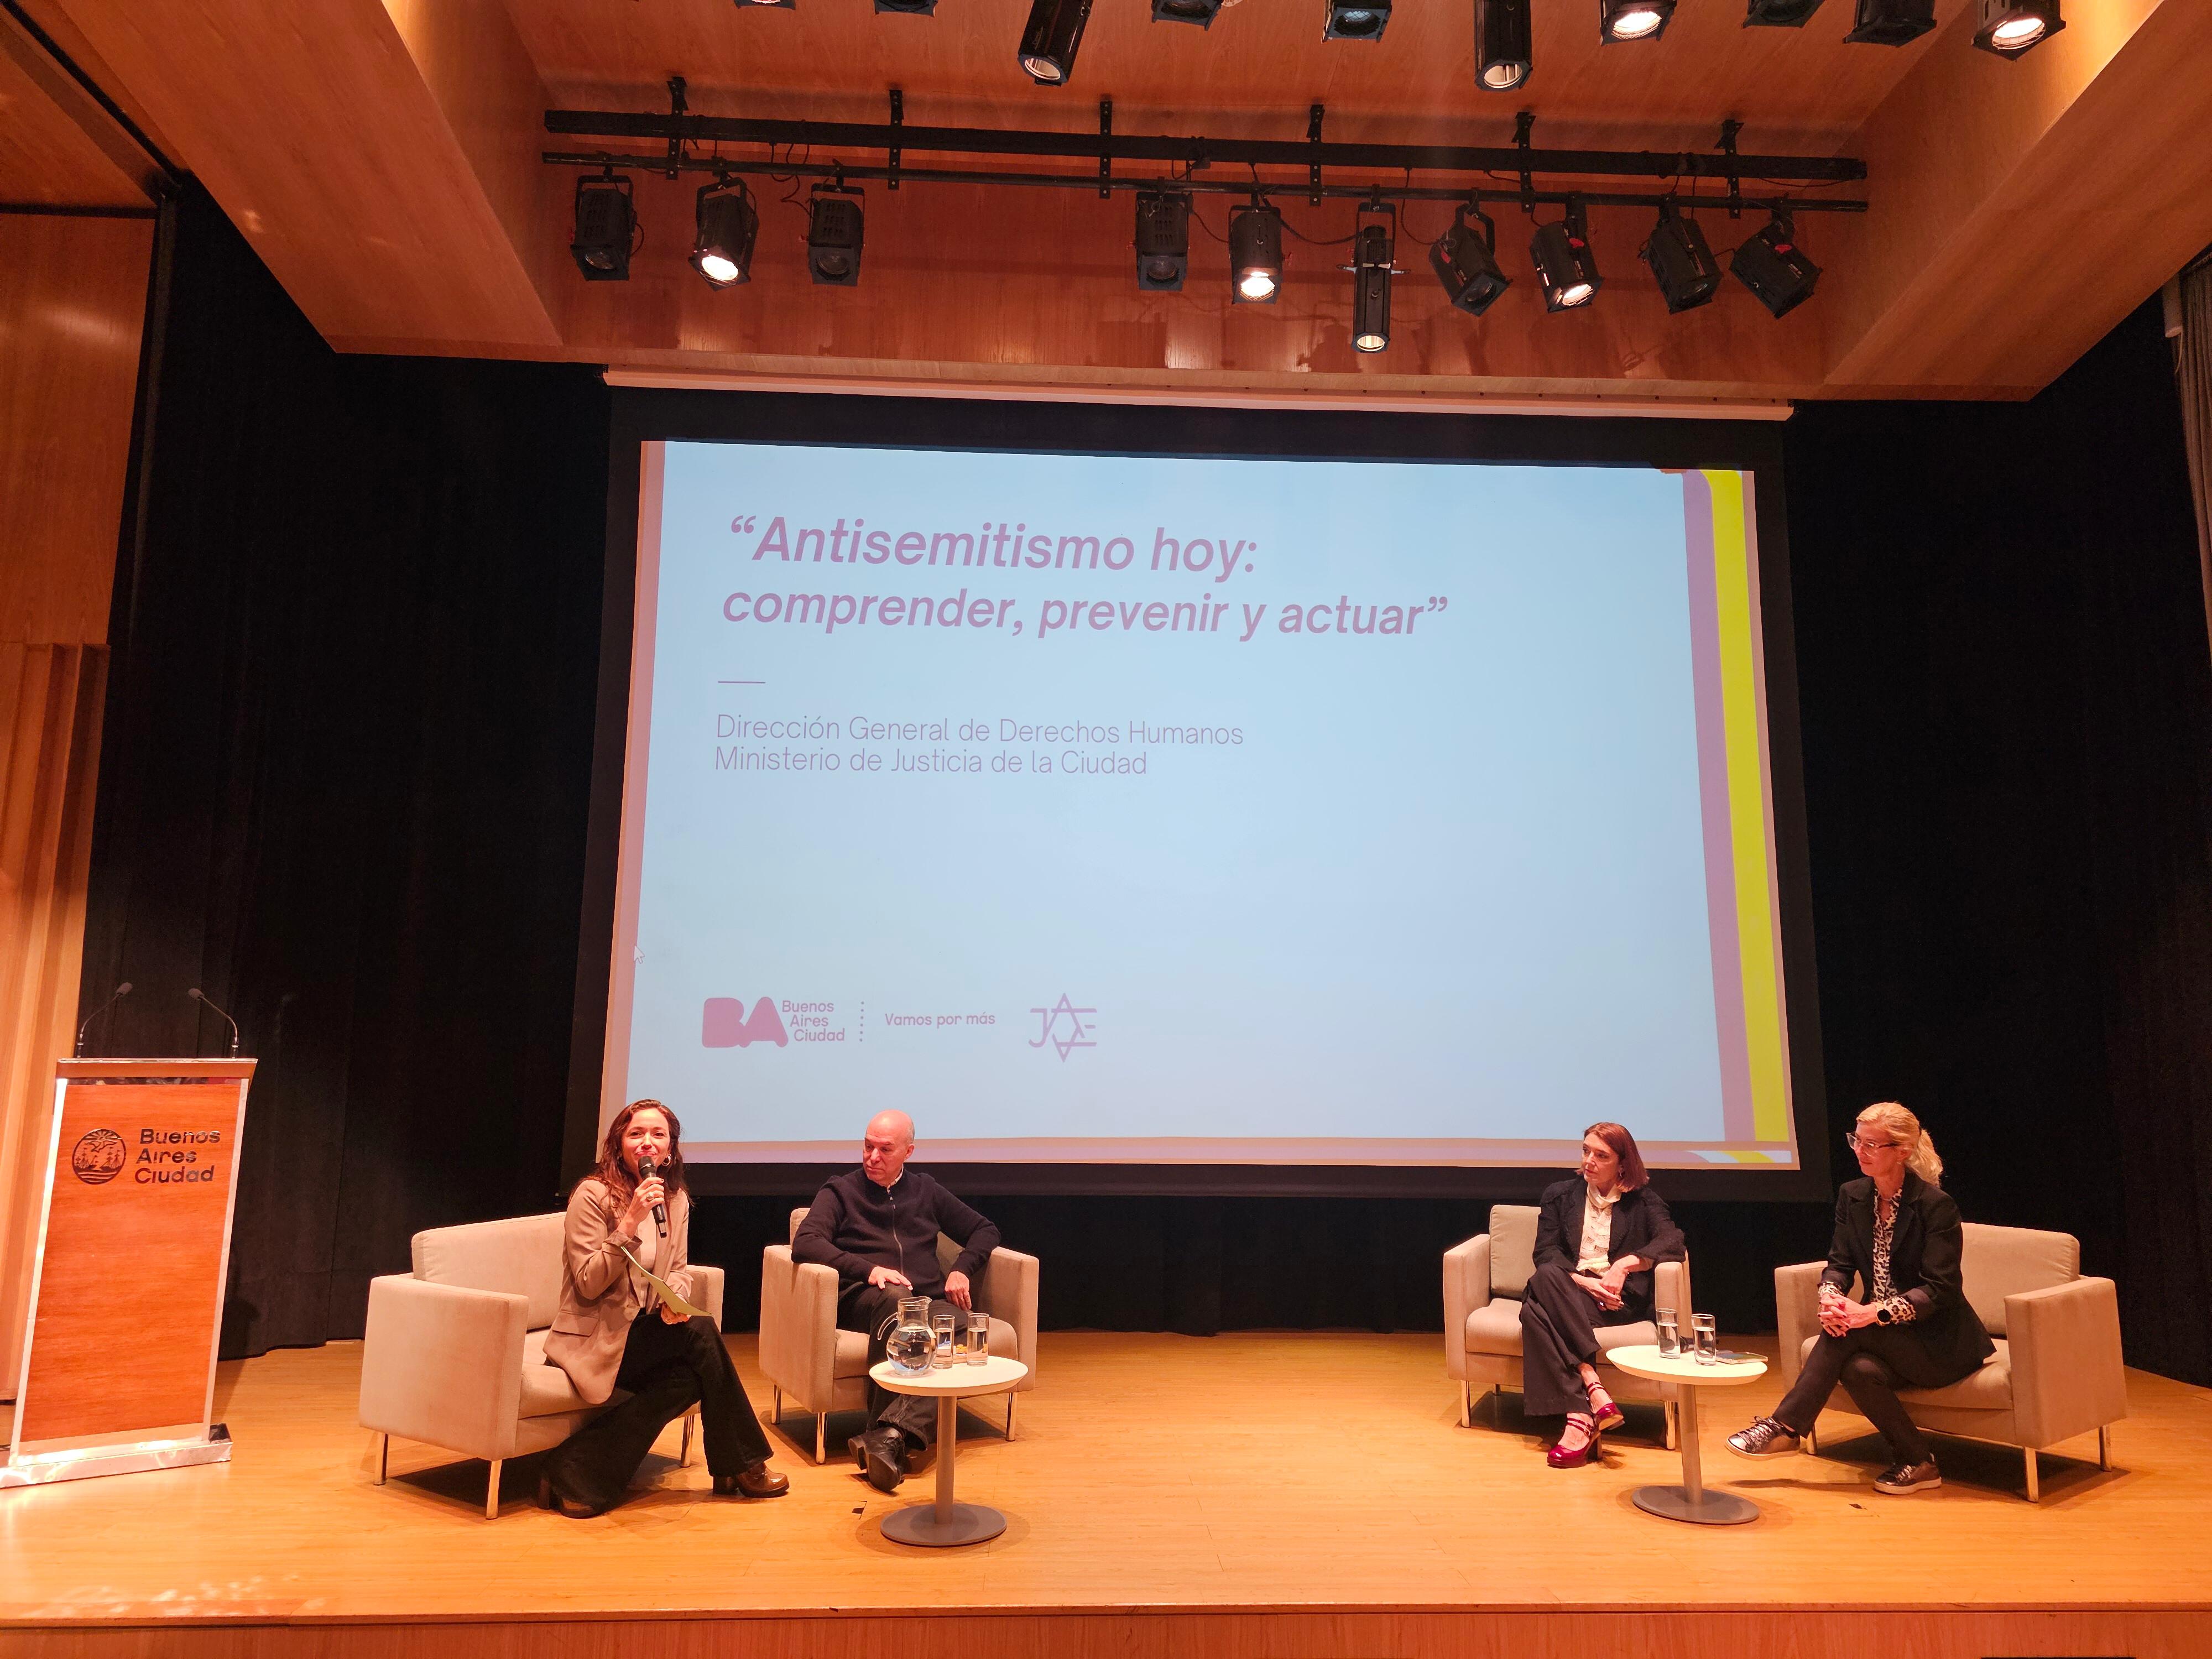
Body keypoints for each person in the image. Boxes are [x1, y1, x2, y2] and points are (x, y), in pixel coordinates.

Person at [1726, 1102, 1994, 1495]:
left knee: (1849, 1333)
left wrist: (1871, 1314)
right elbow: (1839, 1264)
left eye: (1873, 1145)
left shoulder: (1936, 1207)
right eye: (1857, 1141)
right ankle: (1918, 1460)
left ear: (1902, 1151)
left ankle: (1784, 1427)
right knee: (1858, 1370)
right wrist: (1831, 1297)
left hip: (1940, 1344)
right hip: (1886, 1339)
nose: (1860, 1151)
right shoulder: (1852, 1196)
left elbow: (1941, 1288)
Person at [538, 1099, 789, 1516]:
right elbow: (588, 1282)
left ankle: (572, 1471)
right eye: (636, 1135)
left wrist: (675, 1297)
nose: (647, 1144)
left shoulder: (675, 1199)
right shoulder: (592, 1195)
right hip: (595, 1339)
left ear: (670, 1150)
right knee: (702, 1335)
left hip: (643, 1333)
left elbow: (678, 1270)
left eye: (658, 1136)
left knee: (690, 1377)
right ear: (619, 1146)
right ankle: (741, 1467)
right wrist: (630, 1222)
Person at [792, 1109, 1002, 1493]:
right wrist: (868, 1269)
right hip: (866, 1299)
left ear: (909, 1151)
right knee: (897, 1298)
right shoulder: (841, 1191)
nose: (873, 1157)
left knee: (956, 1329)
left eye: (885, 1149)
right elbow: (805, 1243)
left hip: (924, 1302)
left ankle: (888, 1434)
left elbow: (984, 1229)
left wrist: (962, 1269)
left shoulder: (926, 1190)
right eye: (868, 1146)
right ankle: (885, 1433)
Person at [1520, 1122, 1686, 1469]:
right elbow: (1545, 1252)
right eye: (1585, 1151)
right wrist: (1584, 1282)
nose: (1589, 1161)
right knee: (1547, 1276)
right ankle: (1588, 1400)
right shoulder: (1559, 1194)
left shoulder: (1644, 1200)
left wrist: (1625, 1265)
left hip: (1614, 1300)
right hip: (1571, 1291)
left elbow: (1672, 1241)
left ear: (1622, 1164)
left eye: (1601, 1155)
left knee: (1534, 1307)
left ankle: (1584, 1397)